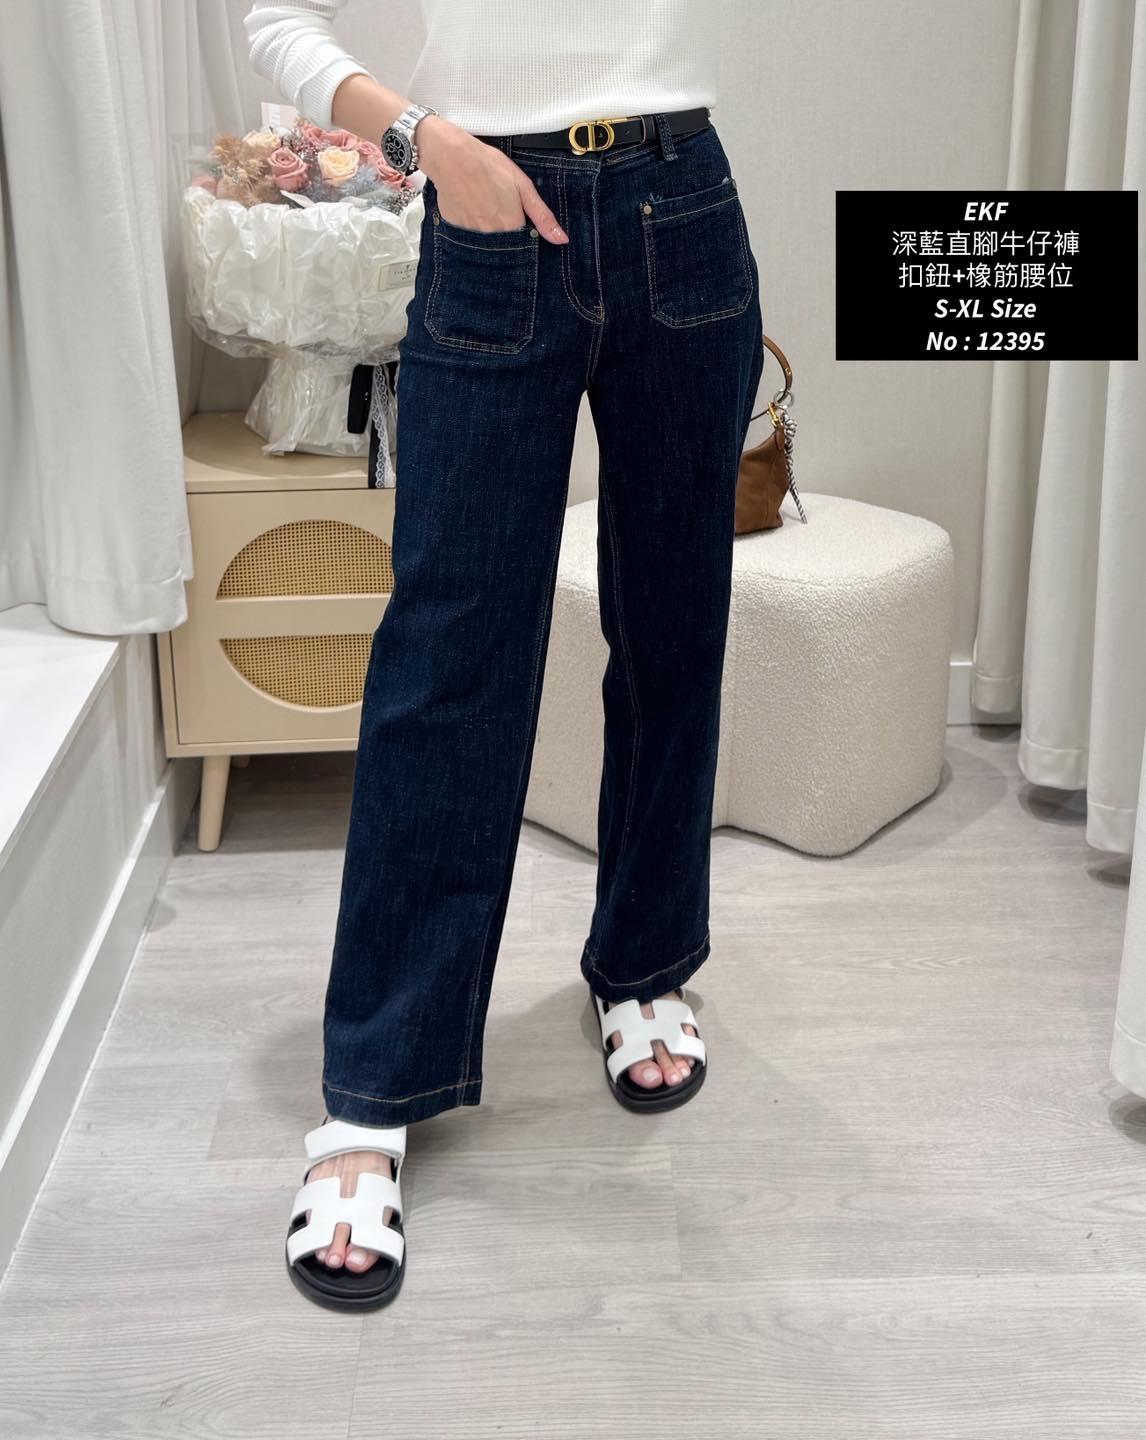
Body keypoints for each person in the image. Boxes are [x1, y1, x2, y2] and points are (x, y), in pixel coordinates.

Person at [245, 0, 765, 1311]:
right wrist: (423, 140)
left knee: (674, 624)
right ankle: (374, 1089)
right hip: (484, 210)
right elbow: (273, 18)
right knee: (445, 661)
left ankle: (645, 965)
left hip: (681, 203)